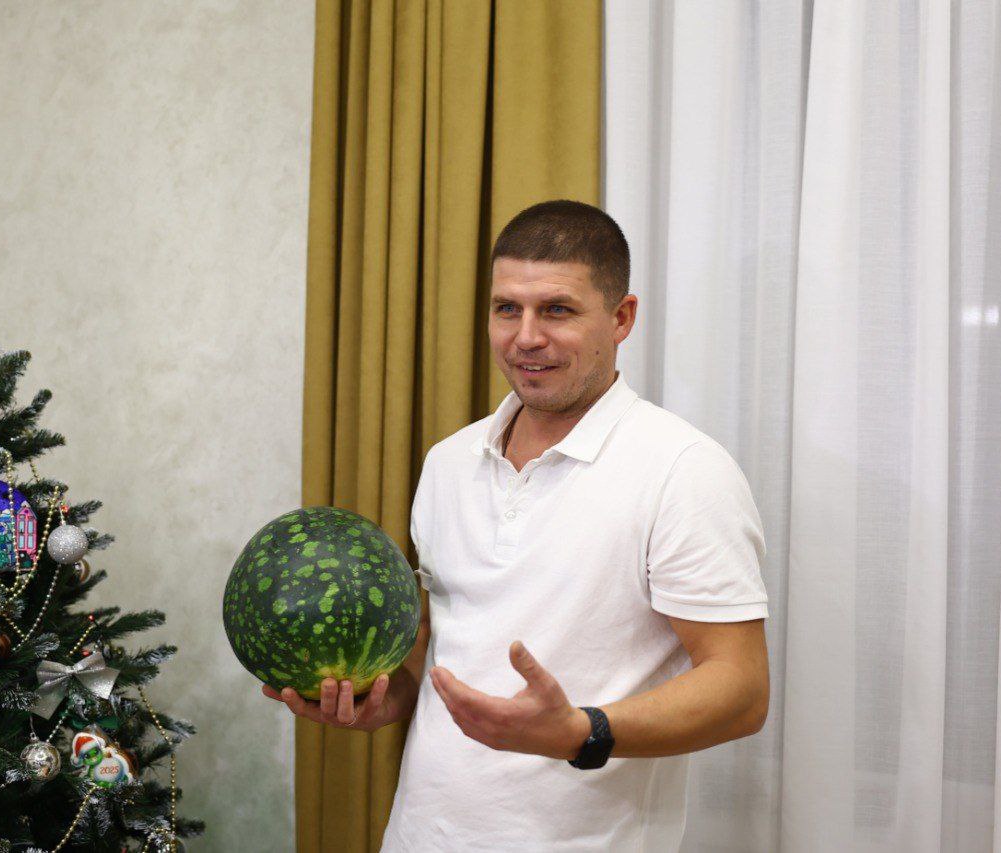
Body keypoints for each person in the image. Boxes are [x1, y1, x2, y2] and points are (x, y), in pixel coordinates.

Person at [264, 200, 771, 851]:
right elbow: (442, 640)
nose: (525, 336)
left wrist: (581, 731)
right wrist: (387, 697)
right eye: (507, 308)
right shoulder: (448, 462)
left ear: (621, 318)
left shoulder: (684, 470)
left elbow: (741, 690)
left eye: (556, 309)